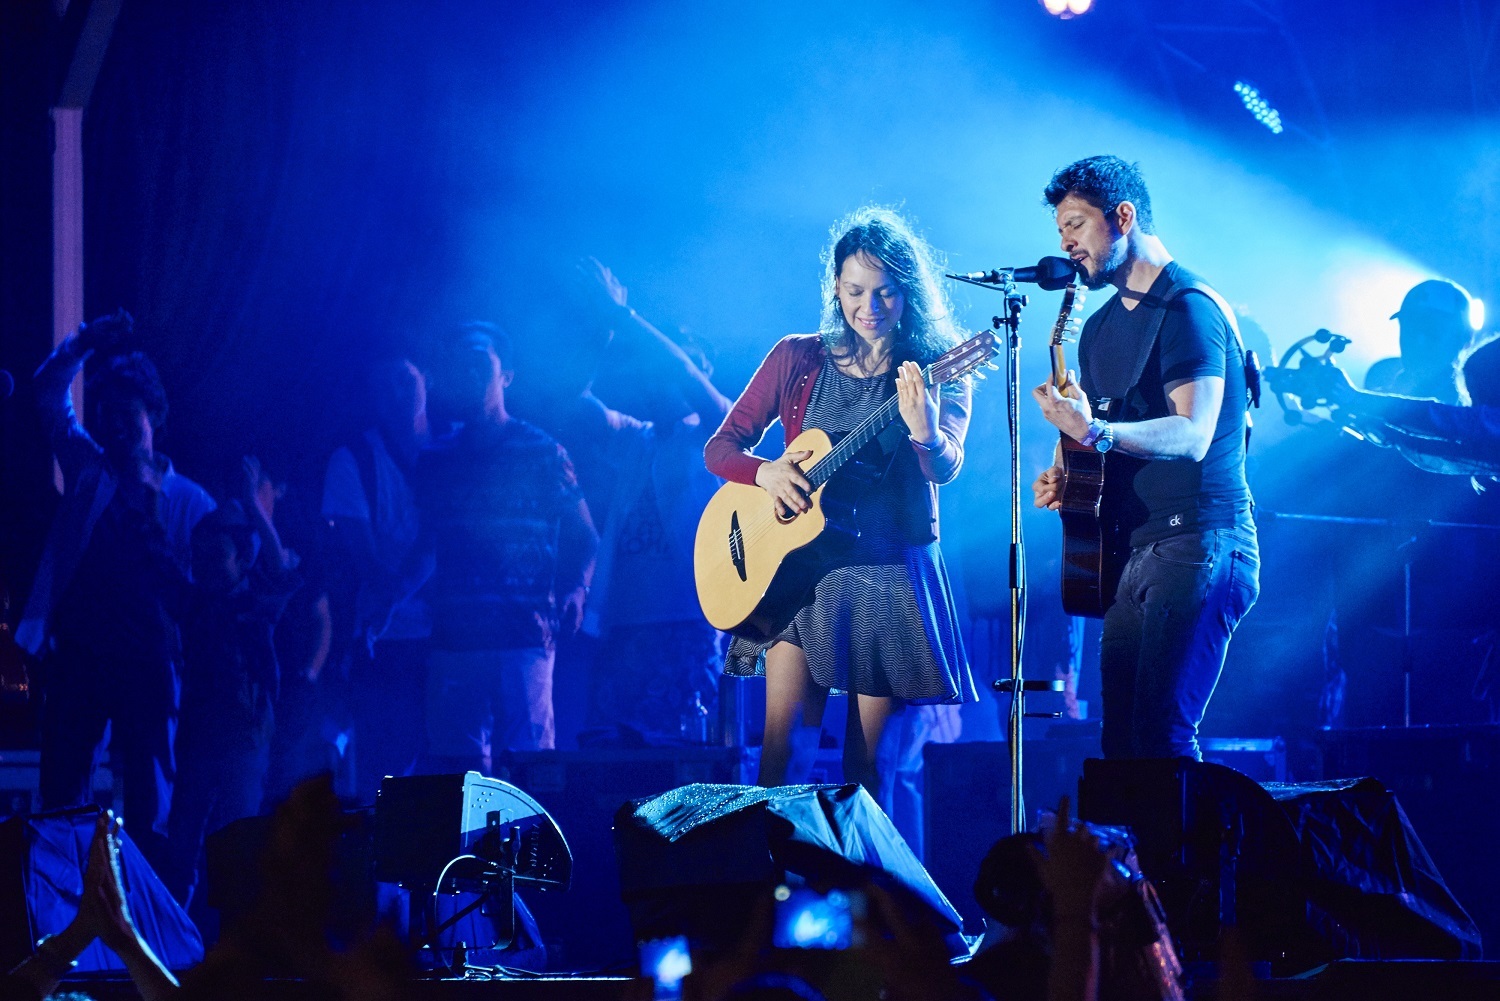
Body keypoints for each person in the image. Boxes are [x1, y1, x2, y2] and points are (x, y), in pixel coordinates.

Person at [704, 206, 977, 813]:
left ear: (909, 293)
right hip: (798, 576)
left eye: (885, 292)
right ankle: (777, 897)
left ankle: (872, 904)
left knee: (869, 776)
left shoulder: (937, 367)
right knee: (781, 763)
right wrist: (766, 472)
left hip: (886, 578)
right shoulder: (796, 357)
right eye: (855, 291)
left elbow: (946, 467)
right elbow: (720, 448)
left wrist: (926, 431)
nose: (869, 306)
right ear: (835, 287)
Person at [1031, 156, 1259, 761]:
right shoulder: (1098, 327)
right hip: (1134, 551)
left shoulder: (1188, 307)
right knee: (1121, 746)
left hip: (1201, 540)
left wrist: (1098, 431)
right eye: (1060, 232)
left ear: (1123, 216)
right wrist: (1069, 468)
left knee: (1161, 739)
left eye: (1076, 224)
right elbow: (1102, 434)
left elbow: (1192, 433)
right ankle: (1137, 860)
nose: (1067, 243)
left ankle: (1191, 859)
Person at [18, 311, 216, 867]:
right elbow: (49, 392)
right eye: (105, 416)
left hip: (151, 666)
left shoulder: (190, 504)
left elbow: (201, 603)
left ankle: (148, 937)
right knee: (61, 802)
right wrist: (82, 342)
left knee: (152, 807)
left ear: (153, 413)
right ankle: (65, 930)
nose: (115, 427)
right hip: (81, 659)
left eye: (126, 414)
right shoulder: (87, 469)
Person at [418, 322, 598, 763]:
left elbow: (586, 536)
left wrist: (579, 589)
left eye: (481, 363)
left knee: (531, 768)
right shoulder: (437, 458)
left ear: (506, 375)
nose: (470, 374)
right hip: (455, 639)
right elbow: (427, 541)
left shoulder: (543, 451)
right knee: (457, 781)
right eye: (461, 366)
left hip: (524, 632)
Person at [164, 459, 300, 913]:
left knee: (238, 842)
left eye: (215, 557)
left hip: (244, 740)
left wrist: (250, 506)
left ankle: (237, 951)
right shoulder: (193, 604)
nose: (203, 567)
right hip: (196, 741)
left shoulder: (257, 601)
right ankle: (174, 942)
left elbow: (281, 569)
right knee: (181, 846)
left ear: (242, 559)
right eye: (198, 556)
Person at [321, 357, 433, 802]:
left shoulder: (453, 453)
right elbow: (362, 558)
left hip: (451, 640)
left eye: (406, 378)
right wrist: (397, 595)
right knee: (384, 772)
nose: (398, 391)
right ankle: (384, 868)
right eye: (385, 382)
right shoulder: (355, 460)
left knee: (450, 767)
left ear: (428, 380)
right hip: (384, 642)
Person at [1362, 278, 1476, 405]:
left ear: (1465, 339)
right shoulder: (1379, 378)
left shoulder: (1472, 417)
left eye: (1432, 333)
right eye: (1411, 329)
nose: (1418, 342)